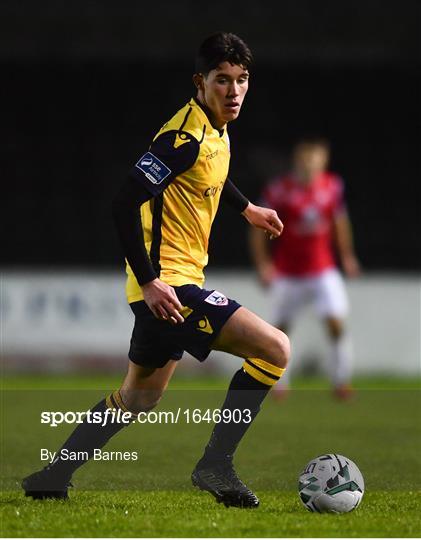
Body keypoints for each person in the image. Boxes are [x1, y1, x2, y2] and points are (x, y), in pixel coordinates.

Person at [22, 32, 290, 508]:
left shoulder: (216, 130)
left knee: (137, 400)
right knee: (274, 349)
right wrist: (149, 281)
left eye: (242, 80)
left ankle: (52, 476)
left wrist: (246, 208)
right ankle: (216, 464)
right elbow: (123, 203)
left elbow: (212, 173)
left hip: (170, 286)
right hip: (169, 286)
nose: (234, 91)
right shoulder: (181, 138)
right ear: (199, 82)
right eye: (222, 80)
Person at [250, 138, 360, 400]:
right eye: (305, 159)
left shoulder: (333, 187)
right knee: (279, 331)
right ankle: (278, 384)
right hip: (287, 272)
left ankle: (341, 381)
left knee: (336, 323)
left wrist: (347, 256)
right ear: (297, 161)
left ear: (324, 162)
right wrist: (264, 264)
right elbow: (257, 230)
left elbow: (339, 223)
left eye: (316, 159)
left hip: (323, 270)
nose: (310, 165)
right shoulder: (279, 190)